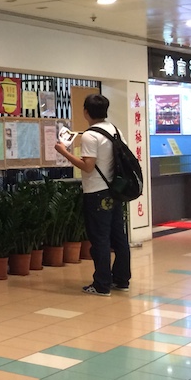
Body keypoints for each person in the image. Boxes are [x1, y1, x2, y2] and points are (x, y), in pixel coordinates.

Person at [54, 93, 130, 296]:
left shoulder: (90, 135)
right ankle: (122, 279)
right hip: (115, 191)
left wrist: (64, 152)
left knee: (100, 239)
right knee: (119, 236)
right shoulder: (115, 130)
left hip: (96, 192)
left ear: (86, 112)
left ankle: (102, 284)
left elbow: (87, 166)